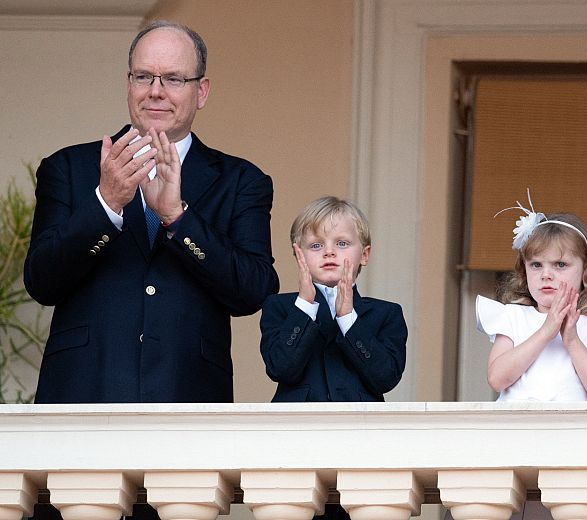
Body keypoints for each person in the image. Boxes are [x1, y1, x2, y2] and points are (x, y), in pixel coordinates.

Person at [24, 20, 280, 403]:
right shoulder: (69, 168)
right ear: (129, 84)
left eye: (174, 79)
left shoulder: (242, 180)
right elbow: (41, 281)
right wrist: (106, 204)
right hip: (82, 395)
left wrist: (179, 218)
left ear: (201, 91)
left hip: (188, 399)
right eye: (144, 76)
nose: (156, 92)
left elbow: (254, 291)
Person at [477, 193, 587, 402]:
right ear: (524, 270)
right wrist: (546, 332)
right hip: (519, 430)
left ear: (586, 269)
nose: (546, 274)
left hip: (573, 431)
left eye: (560, 265)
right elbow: (496, 379)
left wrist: (572, 339)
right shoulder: (512, 316)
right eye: (536, 265)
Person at [260, 196, 407, 402]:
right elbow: (280, 369)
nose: (329, 252)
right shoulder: (280, 307)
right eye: (316, 245)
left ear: (364, 255)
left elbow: (385, 379)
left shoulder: (387, 314)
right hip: (297, 428)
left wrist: (348, 319)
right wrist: (305, 306)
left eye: (342, 243)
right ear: (298, 253)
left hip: (360, 428)